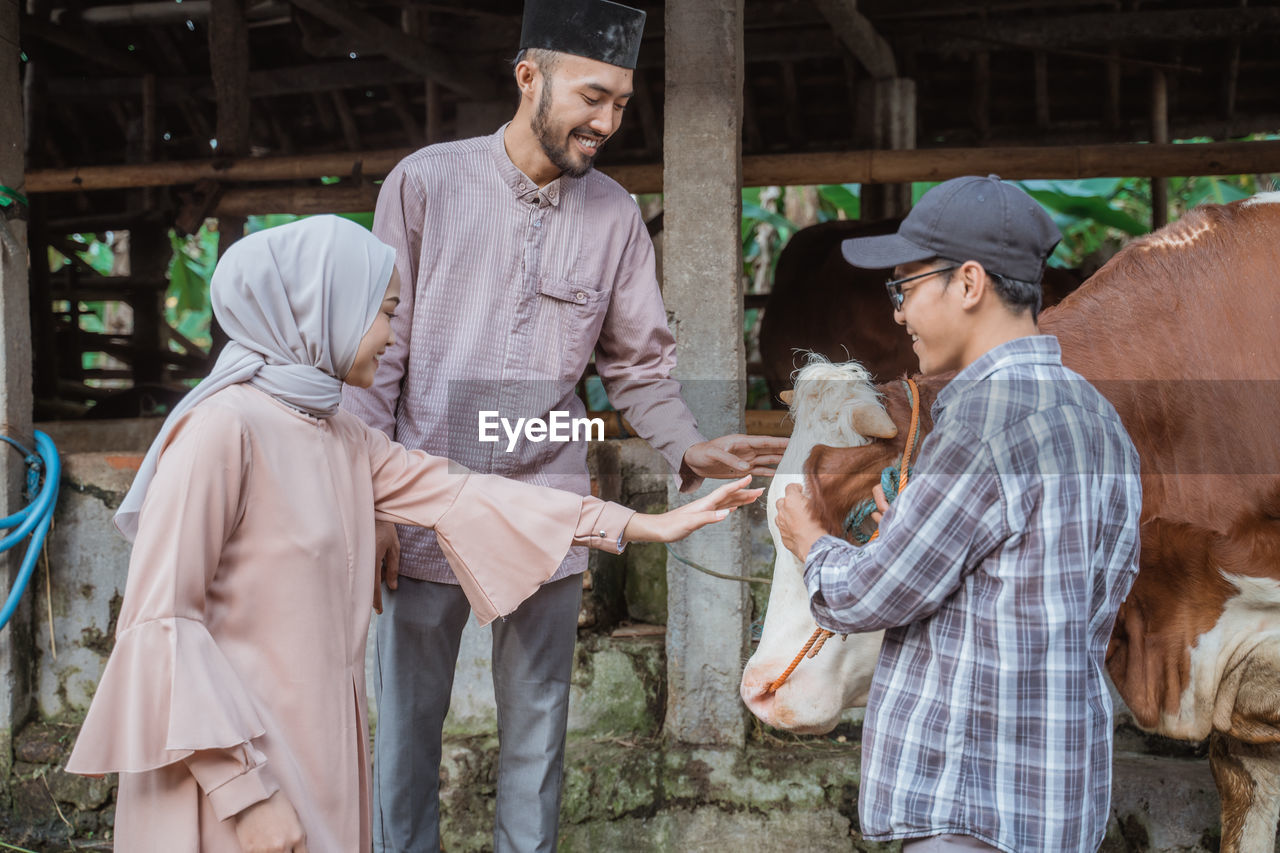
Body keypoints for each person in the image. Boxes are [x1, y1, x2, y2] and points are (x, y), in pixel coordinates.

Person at [65, 216, 760, 853]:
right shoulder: (223, 429)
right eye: (386, 312)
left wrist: (645, 525)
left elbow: (468, 495)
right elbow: (161, 626)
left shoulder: (339, 434)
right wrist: (244, 796)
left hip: (317, 752)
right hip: (233, 767)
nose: (393, 336)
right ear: (322, 307)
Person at [340, 2, 788, 850]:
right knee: (405, 726)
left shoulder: (616, 216)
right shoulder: (424, 184)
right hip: (423, 494)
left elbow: (639, 368)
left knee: (539, 731)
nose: (609, 122)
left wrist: (689, 444)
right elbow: (379, 355)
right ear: (529, 77)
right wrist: (373, 497)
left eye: (621, 102)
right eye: (593, 97)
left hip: (547, 495)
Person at [775, 175, 1143, 853]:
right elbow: (1088, 588)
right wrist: (914, 526)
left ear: (969, 283)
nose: (898, 313)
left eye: (906, 287)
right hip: (1058, 802)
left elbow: (871, 593)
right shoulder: (1098, 419)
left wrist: (813, 541)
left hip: (968, 807)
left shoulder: (978, 422)